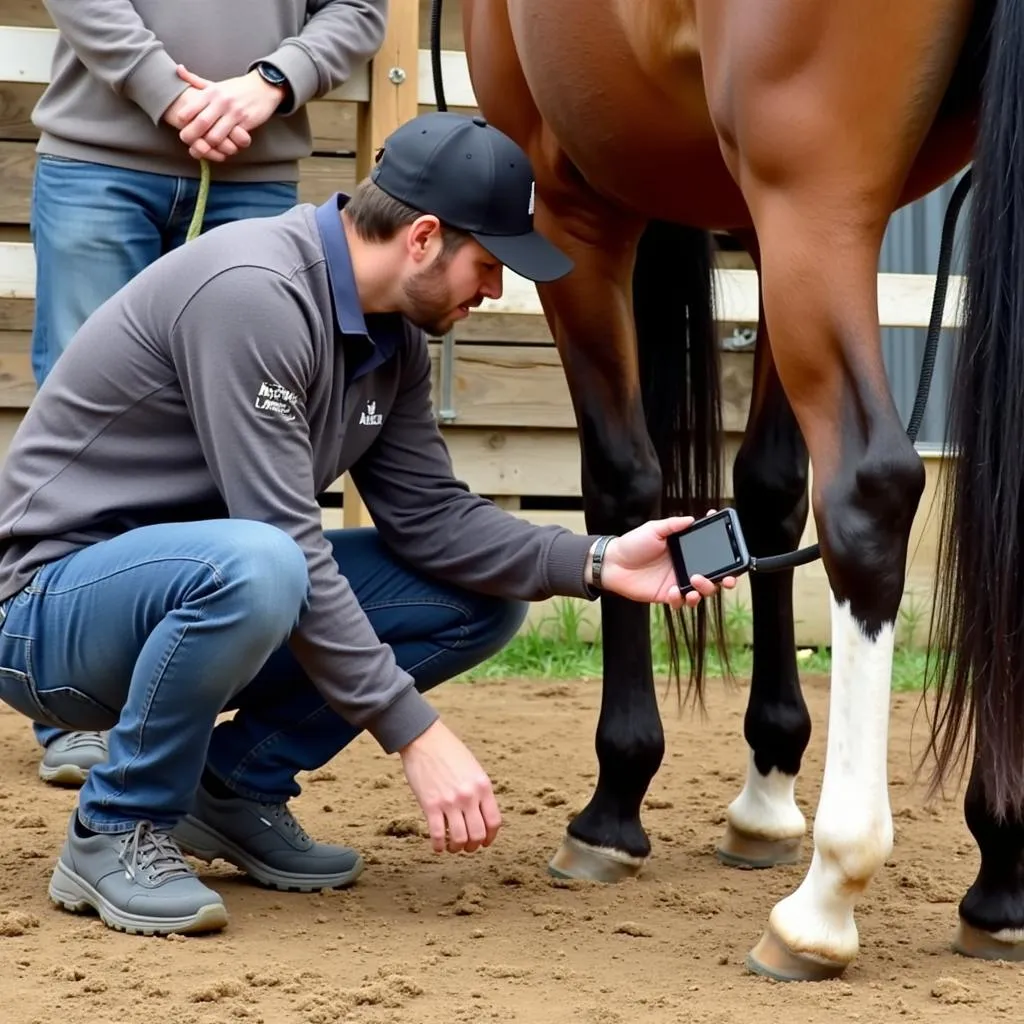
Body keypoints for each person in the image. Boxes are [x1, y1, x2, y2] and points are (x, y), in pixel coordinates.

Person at [0, 110, 732, 937]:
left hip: (197, 594)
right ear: (423, 237)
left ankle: (232, 788)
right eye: (488, 265)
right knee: (264, 562)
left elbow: (432, 519)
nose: (493, 292)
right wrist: (417, 736)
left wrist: (600, 560)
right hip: (47, 617)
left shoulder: (393, 338)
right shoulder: (254, 293)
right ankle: (115, 829)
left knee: (479, 596)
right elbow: (282, 539)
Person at [27, 0, 388, 784]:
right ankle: (70, 709)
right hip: (99, 161)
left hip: (249, 167)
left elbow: (359, 8)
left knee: (234, 435)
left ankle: (165, 705)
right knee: (88, 415)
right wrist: (170, 91)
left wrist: (271, 83)